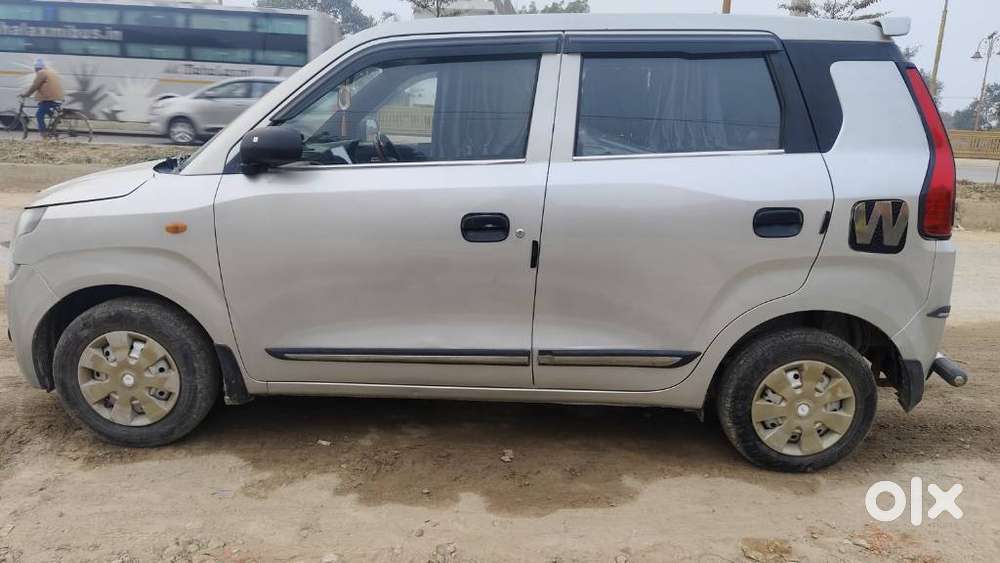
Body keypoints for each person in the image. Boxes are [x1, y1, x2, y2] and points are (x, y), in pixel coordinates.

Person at [21, 58, 65, 136]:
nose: (34, 69)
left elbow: (35, 86)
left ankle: (43, 133)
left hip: (49, 97)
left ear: (37, 67)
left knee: (39, 115)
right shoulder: (50, 72)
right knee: (42, 104)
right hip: (56, 96)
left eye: (35, 68)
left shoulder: (41, 73)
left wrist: (26, 94)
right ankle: (54, 118)